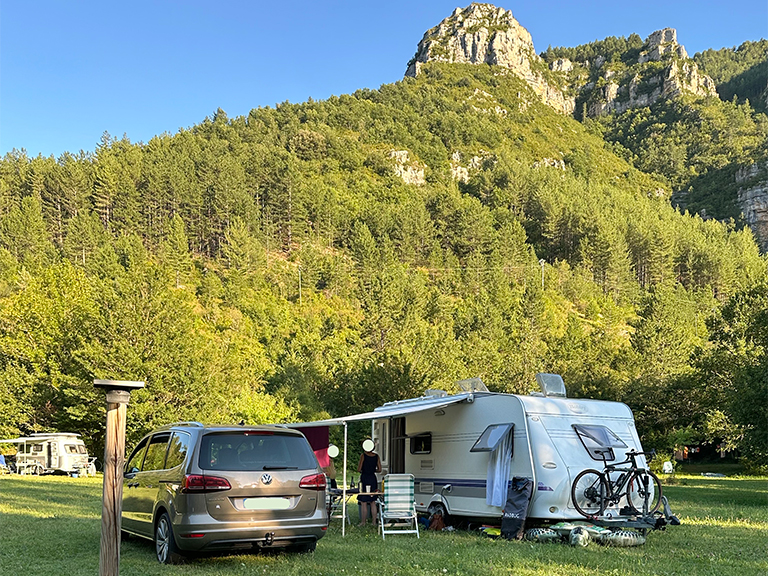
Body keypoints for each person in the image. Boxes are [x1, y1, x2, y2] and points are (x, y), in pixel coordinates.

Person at [357, 439, 381, 527]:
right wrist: (373, 470)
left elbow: (359, 469)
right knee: (373, 501)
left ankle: (363, 522)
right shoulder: (376, 456)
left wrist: (364, 470)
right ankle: (374, 522)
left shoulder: (363, 456)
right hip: (373, 478)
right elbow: (380, 469)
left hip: (365, 478)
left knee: (363, 501)